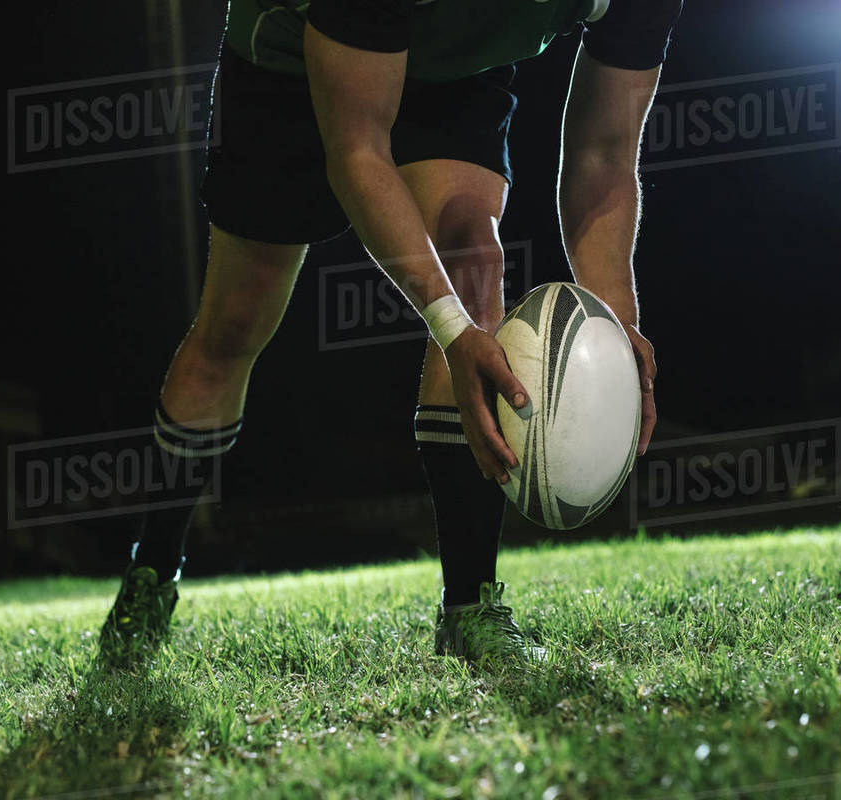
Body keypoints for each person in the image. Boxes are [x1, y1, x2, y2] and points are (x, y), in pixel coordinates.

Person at [99, 0, 682, 666]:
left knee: (473, 259)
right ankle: (155, 566)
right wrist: (452, 331)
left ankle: (470, 603)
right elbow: (358, 151)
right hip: (290, 55)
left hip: (450, 69)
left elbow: (605, 156)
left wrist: (617, 324)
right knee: (235, 322)